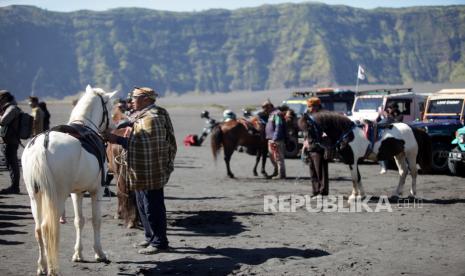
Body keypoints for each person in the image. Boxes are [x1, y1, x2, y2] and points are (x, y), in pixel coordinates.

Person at [105, 86, 177, 254]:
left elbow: (144, 144)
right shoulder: (143, 116)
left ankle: (159, 242)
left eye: (135, 97)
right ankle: (149, 237)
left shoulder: (152, 118)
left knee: (152, 207)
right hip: (140, 171)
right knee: (142, 205)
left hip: (150, 171)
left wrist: (115, 138)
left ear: (146, 99)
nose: (131, 101)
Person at [302, 97, 328, 197]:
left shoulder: (323, 116)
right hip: (310, 146)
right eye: (308, 106)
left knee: (320, 170)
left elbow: (327, 130)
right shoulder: (308, 116)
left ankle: (323, 191)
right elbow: (306, 131)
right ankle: (315, 191)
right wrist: (305, 142)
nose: (309, 108)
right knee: (312, 170)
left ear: (317, 106)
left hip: (319, 146)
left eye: (311, 106)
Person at [0, 90, 21, 194]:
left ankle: (15, 187)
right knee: (10, 164)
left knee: (12, 164)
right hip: (8, 140)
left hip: (11, 141)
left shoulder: (12, 108)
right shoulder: (9, 108)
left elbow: (3, 121)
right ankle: (14, 186)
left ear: (4, 98)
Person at [377, 102, 404, 174]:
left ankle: (385, 167)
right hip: (387, 133)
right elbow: (378, 122)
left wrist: (388, 116)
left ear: (394, 108)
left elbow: (396, 122)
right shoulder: (388, 115)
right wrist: (379, 115)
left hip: (396, 135)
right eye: (388, 108)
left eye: (390, 108)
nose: (388, 109)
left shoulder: (400, 115)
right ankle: (384, 167)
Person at [265, 100, 286, 179]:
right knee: (272, 157)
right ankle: (276, 172)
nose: (265, 110)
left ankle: (281, 174)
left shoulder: (277, 114)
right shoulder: (271, 114)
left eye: (266, 108)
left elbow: (278, 126)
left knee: (278, 157)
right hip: (270, 139)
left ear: (270, 107)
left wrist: (275, 138)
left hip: (276, 140)